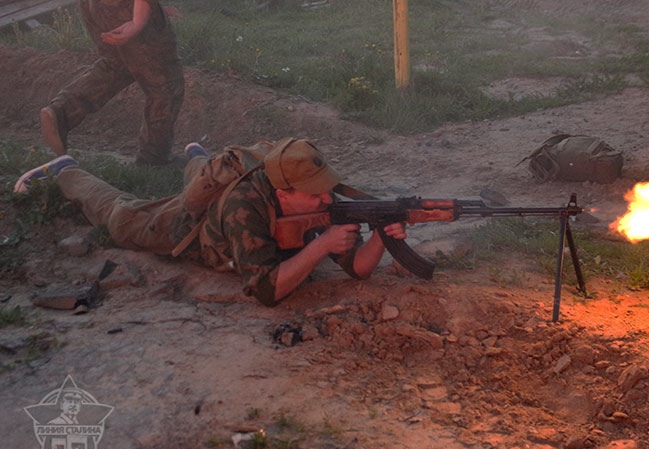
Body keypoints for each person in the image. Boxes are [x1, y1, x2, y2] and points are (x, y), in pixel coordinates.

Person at [15, 138, 408, 306]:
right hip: (190, 230)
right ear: (284, 193)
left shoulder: (316, 198)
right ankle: (67, 171)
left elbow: (357, 269)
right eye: (316, 193)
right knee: (120, 218)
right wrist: (321, 246)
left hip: (225, 203)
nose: (327, 198)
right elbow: (266, 292)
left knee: (201, 175)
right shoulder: (245, 208)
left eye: (327, 189)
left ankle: (199, 159)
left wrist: (381, 237)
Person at [40, 0, 197, 166]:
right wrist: (140, 13)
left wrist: (150, 2)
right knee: (166, 83)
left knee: (118, 65)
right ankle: (154, 162)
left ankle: (61, 113)